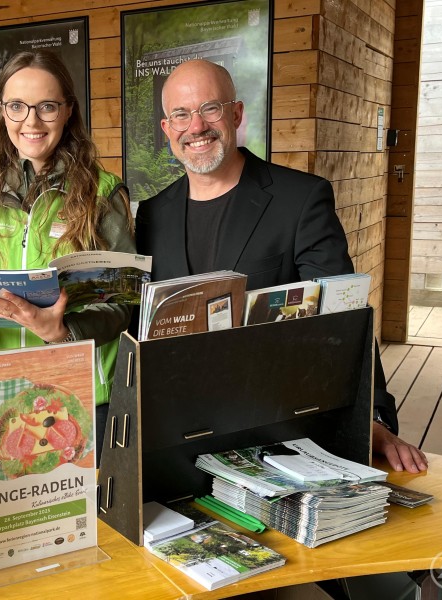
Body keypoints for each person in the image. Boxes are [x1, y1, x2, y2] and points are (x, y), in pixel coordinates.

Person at [136, 59, 427, 474]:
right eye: (180, 114)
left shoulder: (300, 199)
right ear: (167, 130)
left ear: (236, 114)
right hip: (177, 434)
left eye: (210, 108)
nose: (195, 126)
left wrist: (372, 418)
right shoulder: (151, 214)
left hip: (275, 431)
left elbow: (343, 315)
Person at [0, 50, 134, 453]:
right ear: (2, 114)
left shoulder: (102, 192)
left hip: (82, 396)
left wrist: (63, 333)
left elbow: (123, 304)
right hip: (1, 397)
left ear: (67, 111)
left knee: (85, 517)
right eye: (16, 106)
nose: (31, 121)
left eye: (46, 106)